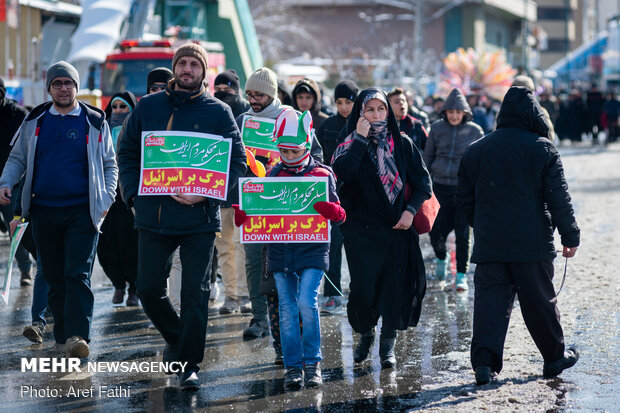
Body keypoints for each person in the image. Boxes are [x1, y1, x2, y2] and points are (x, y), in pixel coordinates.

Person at [117, 43, 246, 389]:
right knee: (148, 290)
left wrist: (207, 191)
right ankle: (177, 337)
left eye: (194, 64)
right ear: (175, 68)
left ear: (204, 70)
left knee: (195, 292)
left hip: (200, 218)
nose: (187, 69)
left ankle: (189, 363)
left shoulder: (219, 111)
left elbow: (238, 162)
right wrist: (132, 195)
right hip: (154, 214)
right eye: (182, 63)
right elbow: (126, 152)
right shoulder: (148, 107)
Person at [457, 85, 580, 385]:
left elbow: (464, 201)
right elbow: (558, 199)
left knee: (489, 305)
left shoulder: (476, 150)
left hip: (490, 244)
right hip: (532, 244)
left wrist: (482, 226)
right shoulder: (543, 148)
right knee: (539, 303)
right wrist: (570, 236)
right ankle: (553, 358)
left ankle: (484, 365)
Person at [0, 61, 117, 358]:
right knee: (53, 275)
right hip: (43, 210)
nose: (63, 88)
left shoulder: (94, 120)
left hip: (83, 210)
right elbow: (17, 159)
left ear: (76, 87)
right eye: (57, 84)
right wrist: (6, 182)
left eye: (68, 83)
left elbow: (109, 164)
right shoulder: (35, 120)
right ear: (49, 88)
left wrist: (105, 201)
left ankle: (79, 335)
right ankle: (63, 334)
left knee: (77, 274)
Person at [236, 108, 346, 389]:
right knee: (286, 309)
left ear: (307, 146)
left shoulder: (322, 173)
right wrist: (246, 215)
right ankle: (293, 366)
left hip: (312, 250)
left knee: (306, 303)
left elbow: (341, 214)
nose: (290, 156)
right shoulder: (272, 175)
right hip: (280, 251)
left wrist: (333, 211)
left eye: (295, 151)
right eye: (284, 151)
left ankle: (313, 363)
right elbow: (260, 214)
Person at [331, 88, 432, 369]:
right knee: (364, 291)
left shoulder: (403, 144)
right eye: (370, 110)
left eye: (381, 109)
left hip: (397, 229)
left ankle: (387, 347)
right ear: (359, 113)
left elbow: (424, 184)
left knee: (394, 289)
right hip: (360, 232)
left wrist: (410, 211)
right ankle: (366, 334)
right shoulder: (347, 144)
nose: (376, 115)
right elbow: (341, 179)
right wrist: (361, 140)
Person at [236, 67, 323, 341]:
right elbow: (230, 160)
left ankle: (291, 321)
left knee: (287, 265)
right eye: (249, 94)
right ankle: (259, 317)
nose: (253, 99)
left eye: (259, 94)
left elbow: (316, 155)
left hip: (291, 207)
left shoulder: (293, 118)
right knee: (253, 262)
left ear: (271, 94)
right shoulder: (241, 121)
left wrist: (289, 167)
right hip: (255, 205)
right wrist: (248, 169)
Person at [423, 88, 484, 292]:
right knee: (435, 231)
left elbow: (481, 162)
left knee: (463, 233)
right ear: (445, 112)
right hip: (439, 187)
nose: (455, 116)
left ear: (465, 113)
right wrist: (423, 180)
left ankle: (460, 275)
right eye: (451, 112)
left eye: (458, 112)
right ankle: (441, 258)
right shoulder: (437, 128)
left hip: (464, 189)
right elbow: (428, 156)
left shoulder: (475, 131)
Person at [315, 80, 358, 314]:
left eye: (349, 102)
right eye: (339, 102)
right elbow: (318, 156)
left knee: (357, 245)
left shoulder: (363, 125)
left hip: (358, 193)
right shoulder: (328, 125)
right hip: (332, 192)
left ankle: (359, 288)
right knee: (333, 243)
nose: (344, 107)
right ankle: (332, 293)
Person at [213, 69, 251, 314]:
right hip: (222, 192)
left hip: (248, 193)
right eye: (219, 89)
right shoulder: (212, 113)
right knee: (225, 248)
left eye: (228, 89)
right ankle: (231, 296)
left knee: (244, 247)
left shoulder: (251, 116)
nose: (223, 93)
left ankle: (246, 294)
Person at [98, 91, 139, 306]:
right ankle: (118, 284)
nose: (118, 111)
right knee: (104, 246)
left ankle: (133, 287)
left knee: (129, 245)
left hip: (128, 196)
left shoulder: (136, 130)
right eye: (114, 107)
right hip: (107, 198)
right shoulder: (101, 130)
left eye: (123, 107)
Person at [0, 77, 33, 286]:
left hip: (12, 182)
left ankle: (26, 269)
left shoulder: (18, 115)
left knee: (16, 228)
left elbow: (28, 149)